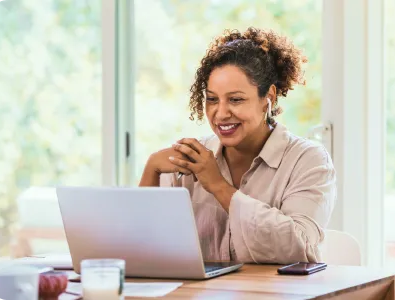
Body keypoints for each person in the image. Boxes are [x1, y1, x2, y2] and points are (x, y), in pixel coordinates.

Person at [139, 27, 336, 264]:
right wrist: (151, 169)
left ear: (268, 99)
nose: (220, 113)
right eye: (212, 99)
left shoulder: (308, 160)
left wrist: (218, 186)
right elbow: (140, 250)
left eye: (236, 100)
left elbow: (299, 247)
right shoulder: (188, 159)